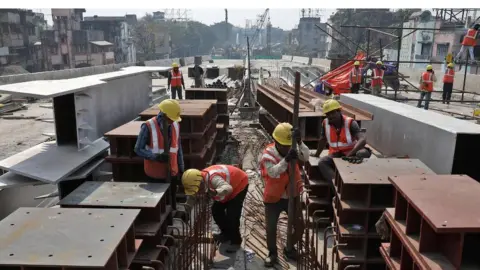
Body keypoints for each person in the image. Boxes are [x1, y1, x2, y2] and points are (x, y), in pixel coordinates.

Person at [259, 122, 310, 267]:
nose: (287, 148)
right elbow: (273, 172)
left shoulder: (293, 147)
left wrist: (300, 142)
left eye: (289, 145)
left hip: (292, 195)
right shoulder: (267, 154)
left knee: (299, 226)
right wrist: (286, 160)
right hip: (274, 197)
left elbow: (306, 157)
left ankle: (289, 247)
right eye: (283, 145)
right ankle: (272, 253)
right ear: (276, 142)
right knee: (271, 228)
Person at [181, 165, 249, 253]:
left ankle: (236, 241)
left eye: (198, 189)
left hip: (239, 184)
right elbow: (192, 196)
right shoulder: (197, 180)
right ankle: (226, 234)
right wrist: (187, 211)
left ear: (201, 182)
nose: (198, 191)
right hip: (228, 187)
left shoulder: (213, 178)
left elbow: (228, 188)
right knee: (216, 210)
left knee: (232, 214)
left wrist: (215, 192)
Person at [134, 99, 184, 210]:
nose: (173, 121)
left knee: (172, 200)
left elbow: (178, 148)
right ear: (164, 115)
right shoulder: (148, 126)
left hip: (172, 172)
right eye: (171, 119)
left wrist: (181, 168)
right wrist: (156, 157)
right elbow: (138, 149)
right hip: (155, 175)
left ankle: (173, 215)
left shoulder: (176, 125)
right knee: (159, 205)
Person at [312, 99, 371, 183]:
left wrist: (351, 154)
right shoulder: (325, 123)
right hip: (338, 154)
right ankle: (337, 185)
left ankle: (359, 178)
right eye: (328, 114)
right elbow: (323, 140)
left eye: (333, 113)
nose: (330, 116)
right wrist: (317, 154)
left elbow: (362, 139)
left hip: (353, 152)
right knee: (322, 163)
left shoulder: (350, 122)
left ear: (339, 111)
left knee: (362, 153)